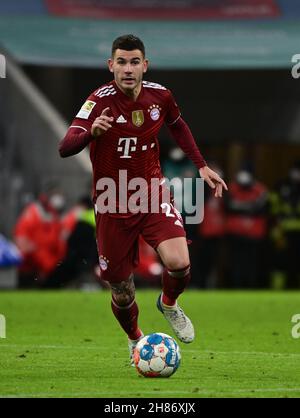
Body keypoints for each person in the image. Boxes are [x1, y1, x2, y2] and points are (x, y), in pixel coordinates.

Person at [59, 34, 227, 365]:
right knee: (122, 291)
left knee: (179, 263)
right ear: (111, 66)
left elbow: (178, 126)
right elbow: (65, 146)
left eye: (134, 62)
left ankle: (168, 303)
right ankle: (135, 339)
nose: (128, 68)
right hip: (111, 201)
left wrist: (202, 166)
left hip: (151, 193)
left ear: (144, 66)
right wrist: (90, 132)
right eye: (121, 62)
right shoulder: (98, 101)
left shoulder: (160, 96)